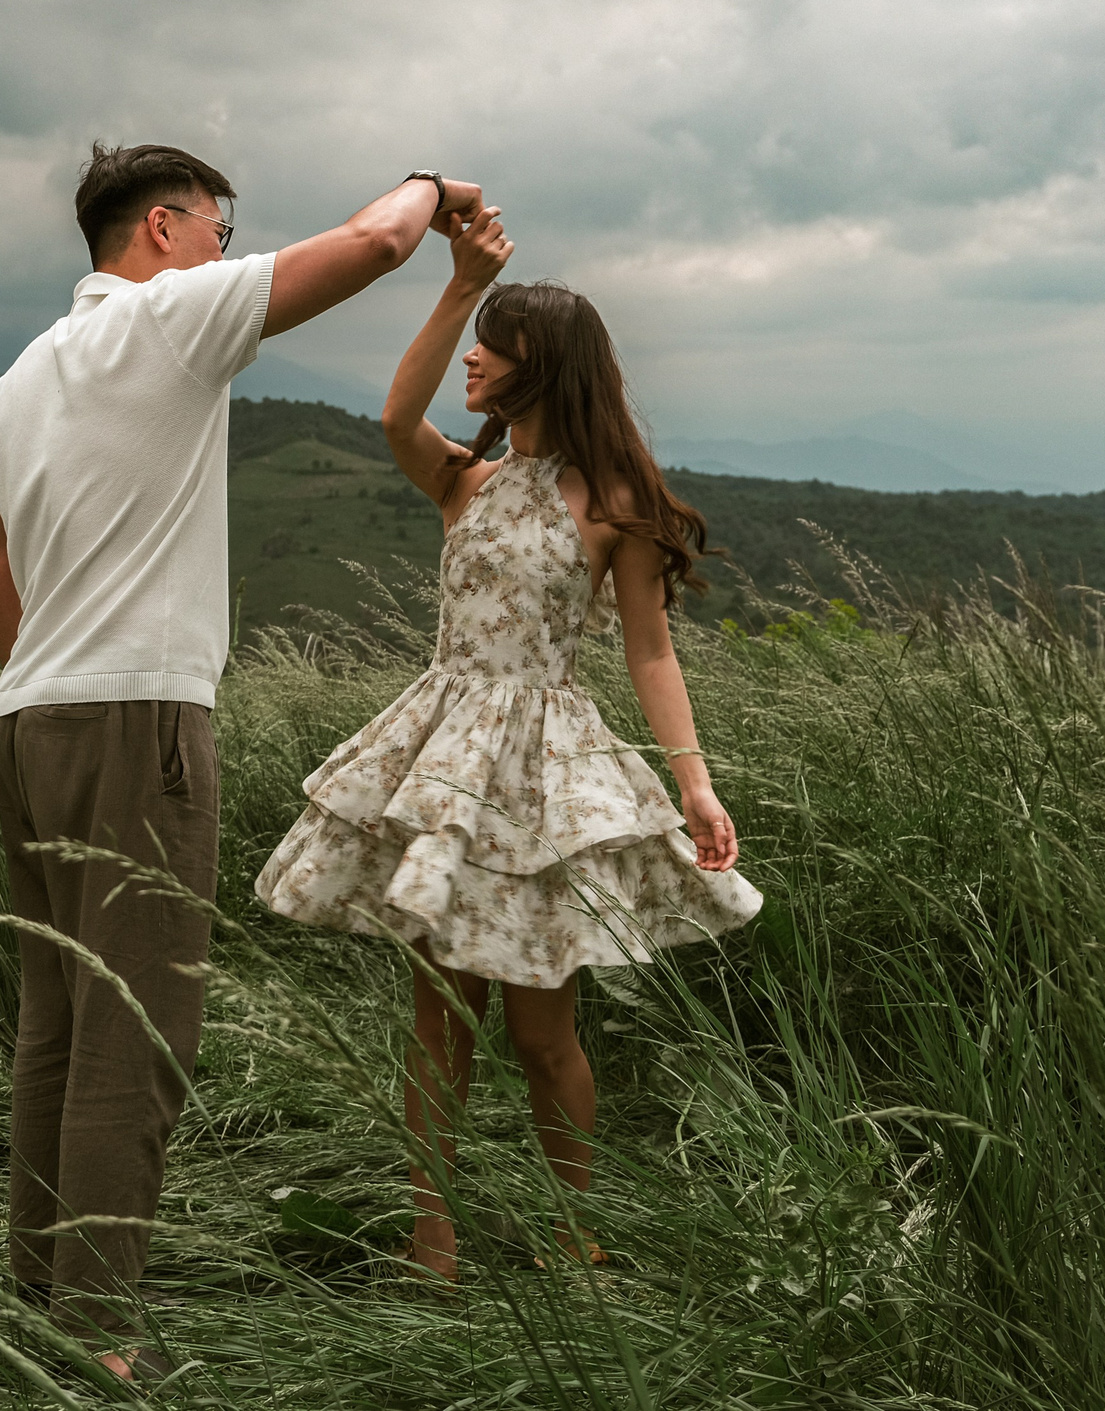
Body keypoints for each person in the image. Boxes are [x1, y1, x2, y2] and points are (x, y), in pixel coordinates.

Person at [0, 144, 483, 1380]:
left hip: (27, 714)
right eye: (217, 225)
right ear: (161, 228)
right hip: (135, 713)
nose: (224, 246)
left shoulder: (12, 383)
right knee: (134, 1030)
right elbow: (374, 243)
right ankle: (100, 1339)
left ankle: (37, 1292)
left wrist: (52, 677)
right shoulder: (165, 321)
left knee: (56, 1021)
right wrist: (434, 183)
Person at [255, 213, 763, 1279]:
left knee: (542, 1036)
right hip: (444, 760)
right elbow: (397, 414)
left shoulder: (615, 504)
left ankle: (573, 1240)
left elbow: (650, 649)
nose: (473, 360)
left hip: (542, 775)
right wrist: (457, 288)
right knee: (440, 1024)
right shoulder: (464, 480)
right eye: (475, 339)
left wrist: (696, 787)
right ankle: (430, 1245)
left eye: (493, 343)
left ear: (547, 366)